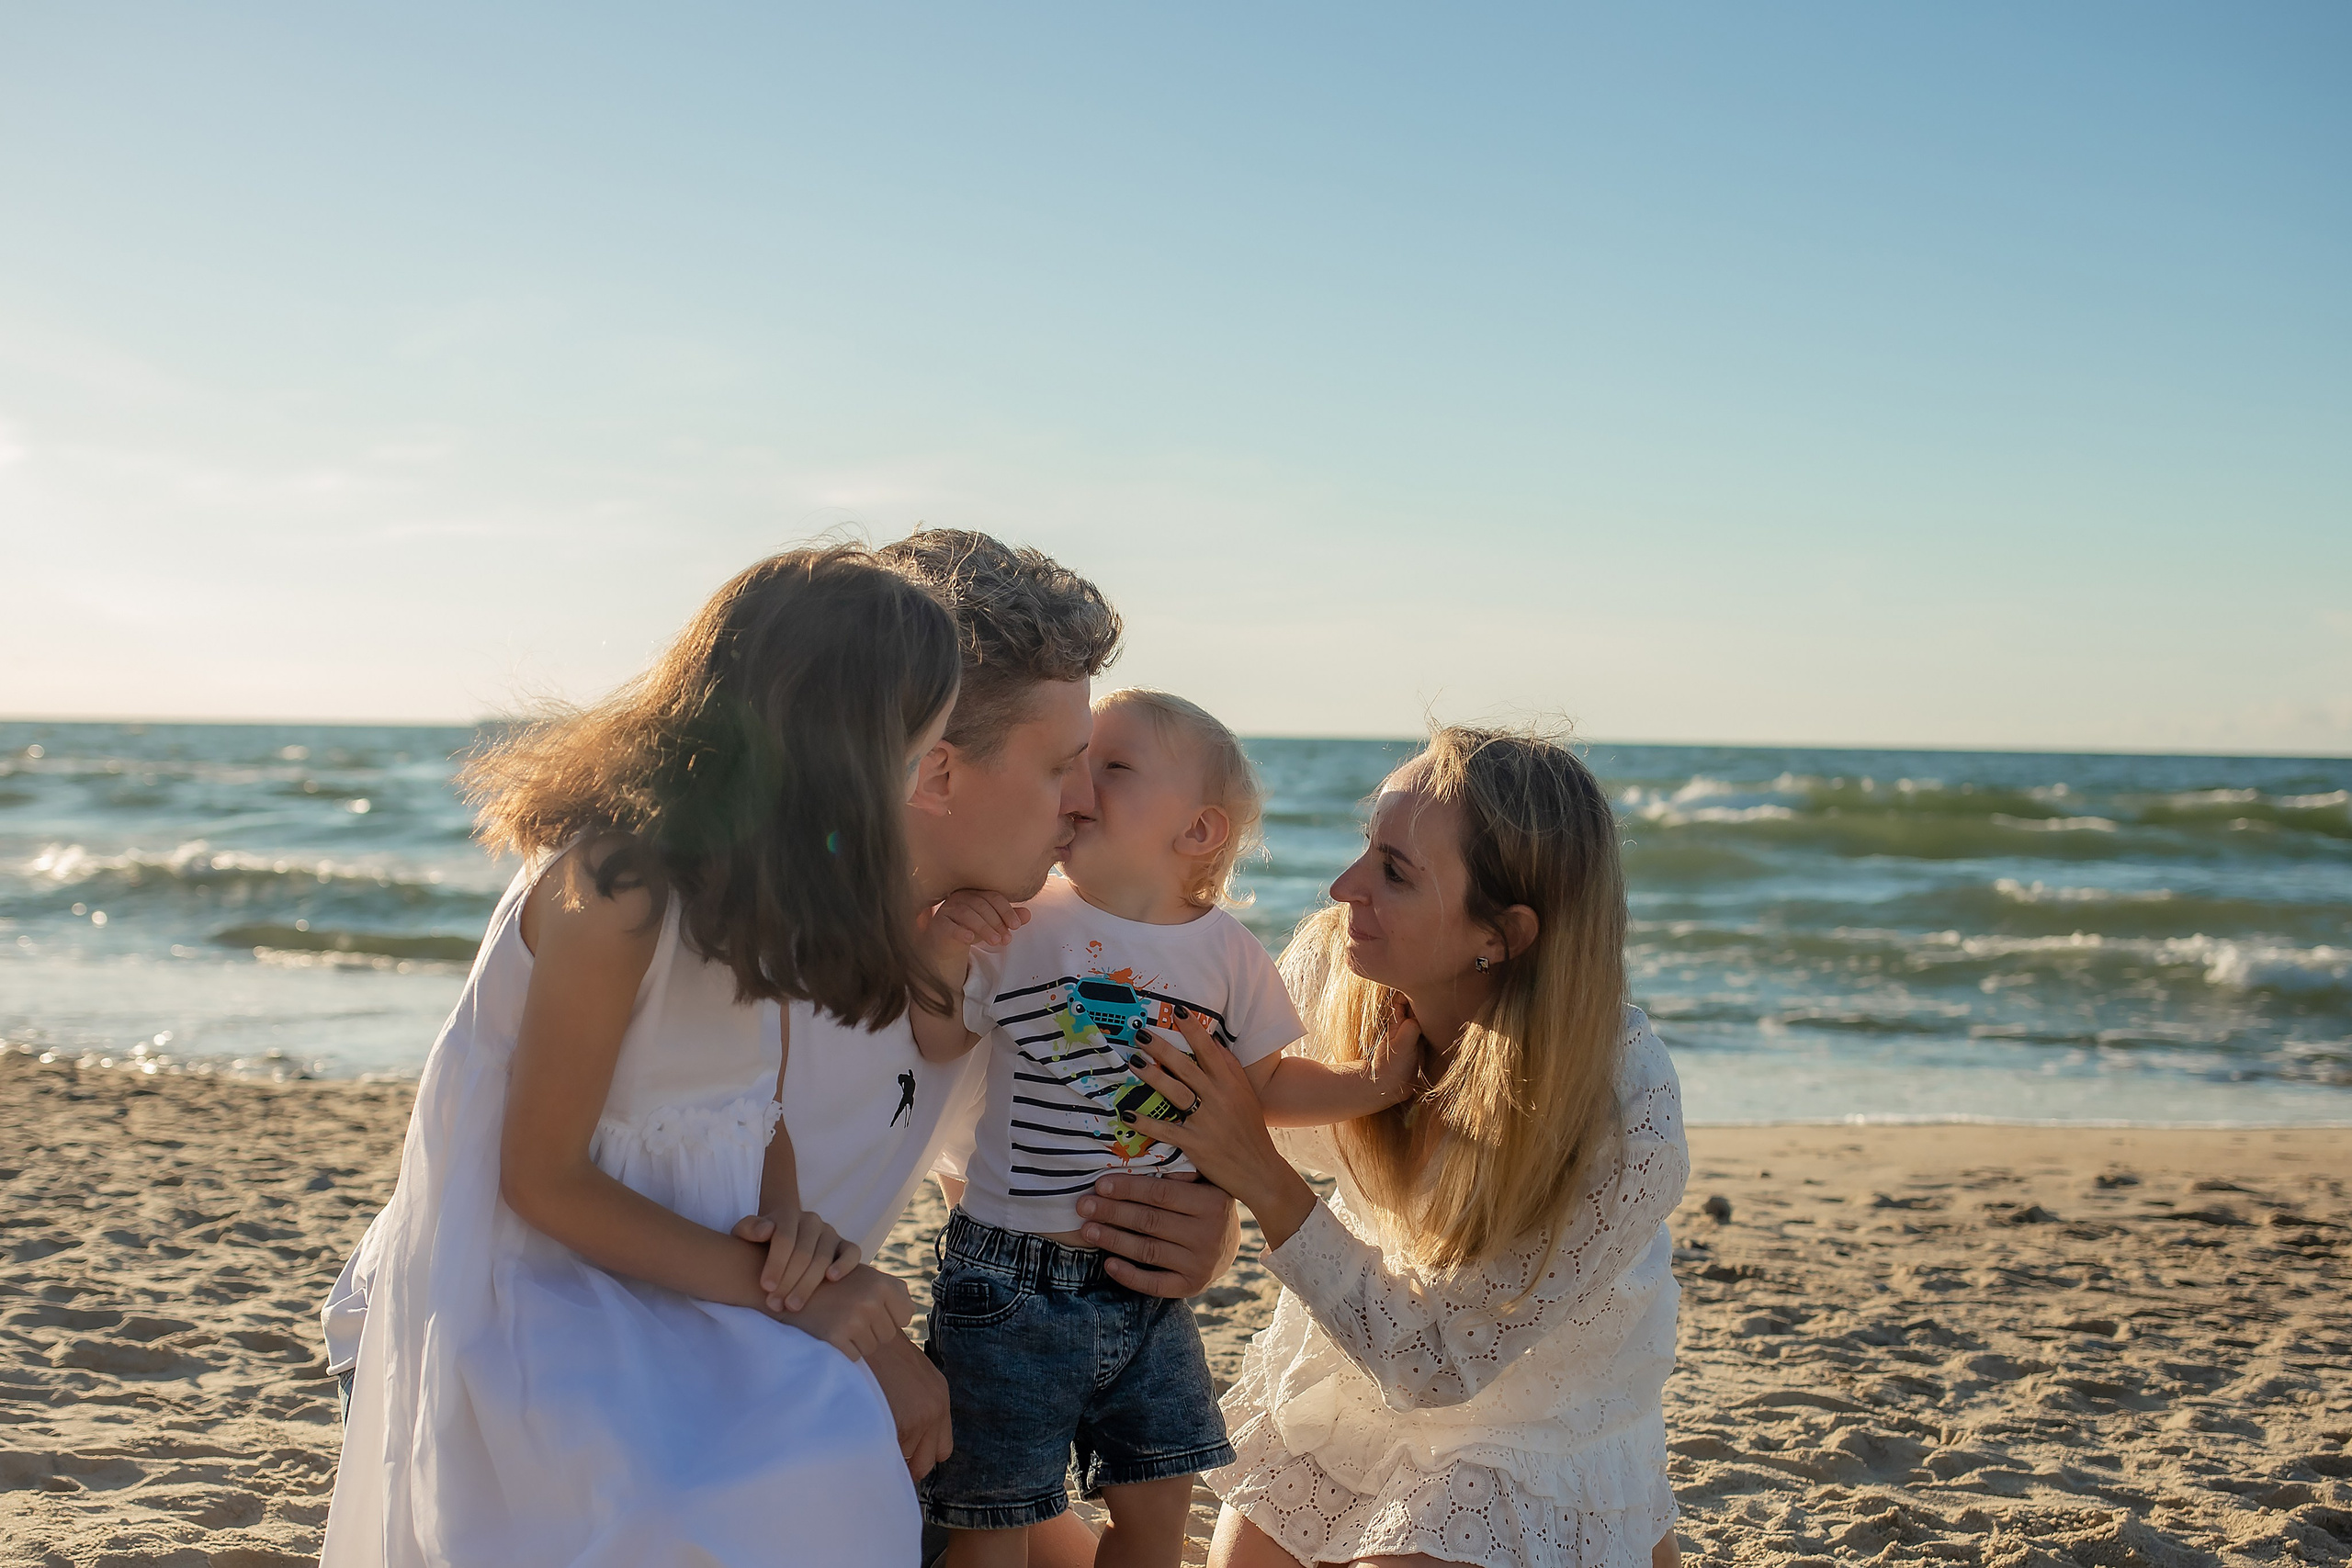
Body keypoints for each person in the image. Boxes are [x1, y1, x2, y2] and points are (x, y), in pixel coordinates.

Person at [320, 547, 959, 1566]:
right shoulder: (618, 887)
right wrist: (780, 1295)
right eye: (921, 743)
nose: (929, 773)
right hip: (542, 1281)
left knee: (829, 1446)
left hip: (692, 1264)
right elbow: (541, 1179)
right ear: (840, 741)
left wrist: (793, 1233)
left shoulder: (778, 883)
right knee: (678, 1499)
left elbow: (762, 1106)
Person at [1120, 726, 1690, 1568]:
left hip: (1520, 1418)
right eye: (1366, 847)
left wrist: (1261, 1181)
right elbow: (1217, 1127)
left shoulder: (1618, 1112)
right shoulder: (1335, 971)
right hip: (1350, 1373)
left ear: (1503, 934)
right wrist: (1216, 1230)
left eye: (1395, 872)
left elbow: (1438, 1360)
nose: (1344, 886)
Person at [907, 690, 1422, 1566]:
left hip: (1146, 1290)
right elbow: (936, 1045)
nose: (1079, 783)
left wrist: (1368, 1084)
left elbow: (1256, 1087)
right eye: (1074, 762)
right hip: (1008, 1276)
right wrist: (943, 950)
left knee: (1155, 1512)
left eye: (1112, 765)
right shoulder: (1022, 919)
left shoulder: (1227, 954)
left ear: (1198, 832)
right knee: (990, 1521)